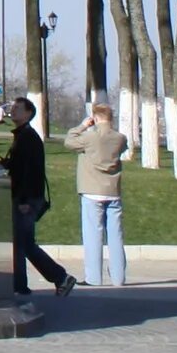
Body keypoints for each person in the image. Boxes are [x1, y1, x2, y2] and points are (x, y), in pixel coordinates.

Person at [1, 97, 74, 301]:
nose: (13, 111)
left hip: (26, 199)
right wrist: (8, 164)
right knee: (20, 243)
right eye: (13, 108)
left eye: (18, 108)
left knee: (25, 243)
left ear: (28, 114)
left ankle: (61, 277)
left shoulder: (28, 137)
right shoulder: (23, 135)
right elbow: (21, 166)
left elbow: (31, 171)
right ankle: (20, 286)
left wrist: (24, 200)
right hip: (24, 197)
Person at [65, 99, 128, 288]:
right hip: (113, 191)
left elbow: (69, 141)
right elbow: (122, 149)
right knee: (116, 236)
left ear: (94, 117)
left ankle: (94, 277)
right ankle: (118, 278)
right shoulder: (120, 138)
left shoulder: (90, 138)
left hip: (92, 191)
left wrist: (83, 126)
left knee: (93, 235)